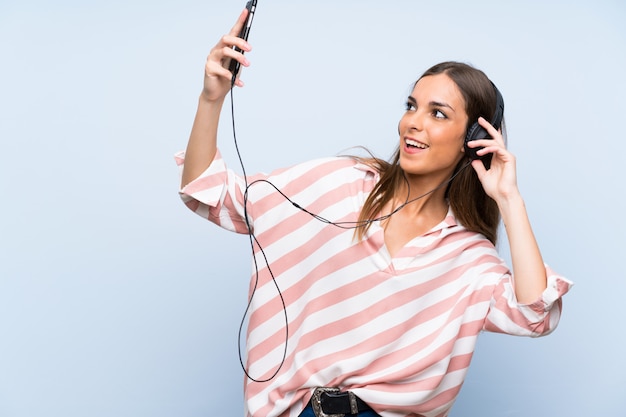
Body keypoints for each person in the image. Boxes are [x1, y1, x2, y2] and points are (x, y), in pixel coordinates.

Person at [175, 8, 572, 417]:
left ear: (473, 140)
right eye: (411, 105)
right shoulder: (341, 185)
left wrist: (509, 198)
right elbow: (211, 193)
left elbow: (533, 315)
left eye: (438, 113)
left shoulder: (467, 257)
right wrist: (211, 98)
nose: (413, 123)